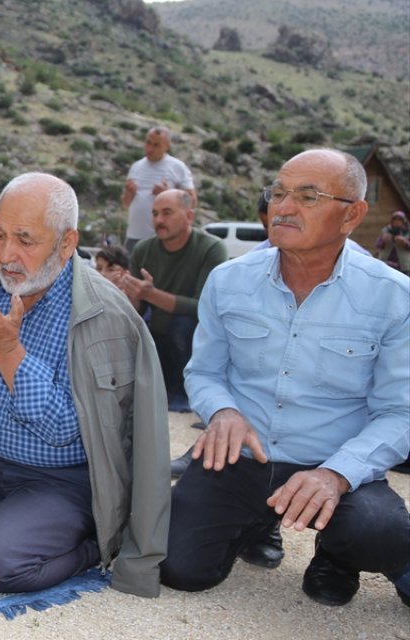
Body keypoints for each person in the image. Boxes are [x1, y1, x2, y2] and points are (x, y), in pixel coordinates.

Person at [0, 173, 170, 597]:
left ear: (66, 242)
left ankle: (93, 546)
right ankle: (8, 518)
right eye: (0, 235)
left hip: (62, 476)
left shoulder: (106, 317)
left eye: (25, 240)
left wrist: (7, 351)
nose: (6, 255)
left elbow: (63, 431)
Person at [161, 149, 410, 608]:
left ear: (352, 214)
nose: (284, 207)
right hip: (240, 459)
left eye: (308, 196)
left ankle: (336, 555)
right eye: (278, 193)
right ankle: (257, 521)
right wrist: (222, 410)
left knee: (383, 534)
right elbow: (205, 371)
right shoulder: (228, 280)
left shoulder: (393, 297)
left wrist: (336, 474)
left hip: (332, 462)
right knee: (178, 568)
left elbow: (399, 412)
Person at [119, 189, 226, 413]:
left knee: (182, 325)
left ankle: (185, 393)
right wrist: (132, 295)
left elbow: (204, 308)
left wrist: (151, 294)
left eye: (167, 213)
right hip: (155, 333)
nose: (158, 220)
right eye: (155, 213)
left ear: (189, 216)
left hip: (192, 338)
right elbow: (136, 311)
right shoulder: (143, 249)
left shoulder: (211, 248)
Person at [122, 126, 196, 250]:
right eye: (148, 142)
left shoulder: (178, 167)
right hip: (133, 236)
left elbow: (192, 201)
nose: (150, 148)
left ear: (167, 146)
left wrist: (167, 194)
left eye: (156, 145)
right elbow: (125, 204)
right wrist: (129, 194)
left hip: (162, 238)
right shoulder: (136, 167)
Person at [374, 210, 410, 276]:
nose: (397, 221)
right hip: (385, 264)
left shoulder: (408, 232)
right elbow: (377, 245)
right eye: (395, 219)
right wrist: (383, 241)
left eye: (400, 220)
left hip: (403, 266)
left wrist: (405, 242)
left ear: (404, 221)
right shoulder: (385, 230)